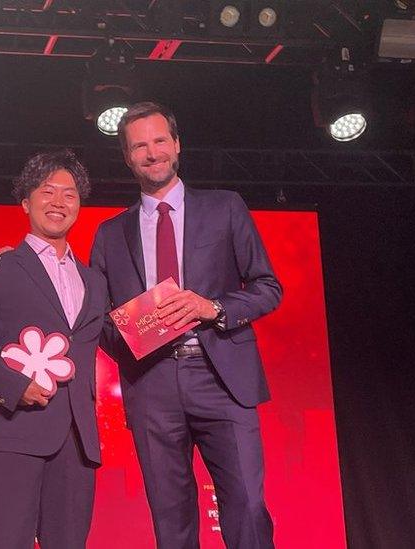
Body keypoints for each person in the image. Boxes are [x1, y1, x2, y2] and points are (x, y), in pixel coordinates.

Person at [90, 102, 282, 549]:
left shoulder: (225, 207)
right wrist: (132, 337)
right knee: (171, 521)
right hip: (152, 385)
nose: (152, 152)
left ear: (176, 145)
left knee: (248, 508)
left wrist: (212, 307)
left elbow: (268, 287)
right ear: (127, 157)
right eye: (139, 145)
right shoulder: (110, 233)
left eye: (159, 140)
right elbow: (97, 321)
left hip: (222, 379)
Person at [0, 149, 108, 549]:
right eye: (47, 191)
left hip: (77, 442)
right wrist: (13, 387)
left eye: (69, 194)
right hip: (14, 433)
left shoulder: (95, 282)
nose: (58, 202)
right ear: (25, 202)